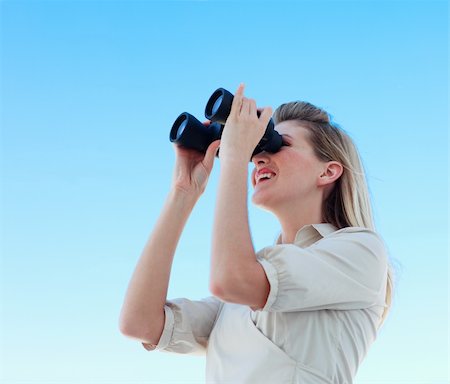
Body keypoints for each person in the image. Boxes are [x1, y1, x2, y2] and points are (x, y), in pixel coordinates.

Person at [119, 84, 393, 383]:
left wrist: (235, 157)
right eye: (256, 150)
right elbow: (139, 323)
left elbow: (231, 280)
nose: (258, 158)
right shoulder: (236, 302)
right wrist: (183, 192)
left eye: (278, 144)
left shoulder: (362, 251)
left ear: (327, 172)